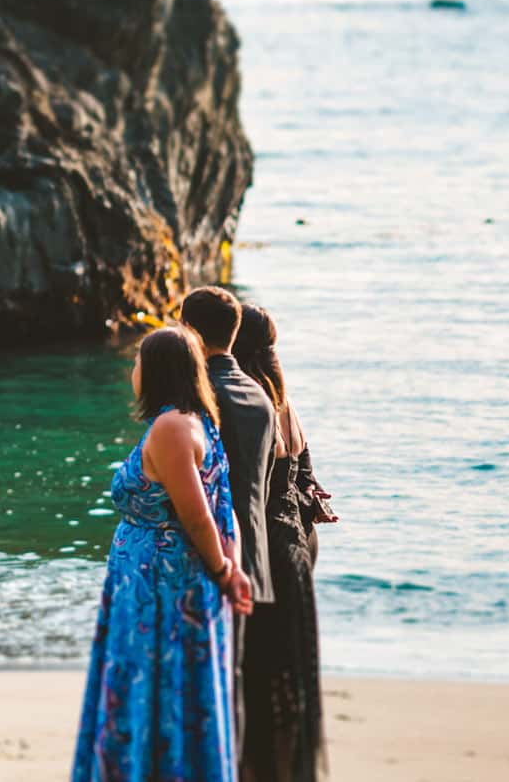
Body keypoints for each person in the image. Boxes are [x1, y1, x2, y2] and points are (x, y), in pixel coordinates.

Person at [71, 325, 253, 782]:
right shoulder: (197, 421)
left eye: (136, 363)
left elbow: (197, 516)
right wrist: (228, 567)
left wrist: (224, 569)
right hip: (160, 583)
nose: (132, 371)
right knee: (171, 689)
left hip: (161, 589)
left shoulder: (171, 427)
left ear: (155, 371)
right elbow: (220, 505)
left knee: (153, 687)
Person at [234, 304, 327, 781]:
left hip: (267, 553)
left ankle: (259, 769)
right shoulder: (285, 403)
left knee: (259, 677)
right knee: (289, 678)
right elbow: (305, 480)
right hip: (299, 551)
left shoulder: (248, 407)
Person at [182, 284, 277, 740]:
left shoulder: (197, 403)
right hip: (254, 558)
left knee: (203, 687)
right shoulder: (261, 397)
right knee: (235, 682)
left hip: (207, 559)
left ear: (189, 331)